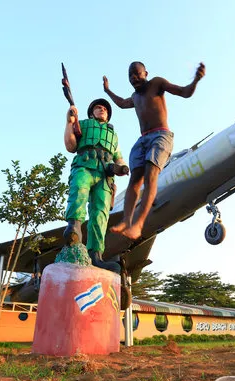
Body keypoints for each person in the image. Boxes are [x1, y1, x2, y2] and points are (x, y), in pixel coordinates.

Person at [103, 61, 206, 241]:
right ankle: (126, 221)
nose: (134, 78)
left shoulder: (157, 83)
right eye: (130, 76)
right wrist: (107, 90)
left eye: (137, 73)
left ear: (146, 73)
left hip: (161, 136)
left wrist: (196, 80)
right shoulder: (135, 97)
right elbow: (121, 103)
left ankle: (138, 224)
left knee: (151, 174)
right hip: (143, 139)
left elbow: (184, 92)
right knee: (134, 180)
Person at [63, 98, 129, 272]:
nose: (102, 109)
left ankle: (96, 255)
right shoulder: (82, 124)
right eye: (98, 108)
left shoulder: (113, 135)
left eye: (105, 109)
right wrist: (69, 123)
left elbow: (118, 156)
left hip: (105, 173)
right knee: (79, 190)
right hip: (85, 164)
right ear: (91, 112)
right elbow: (71, 146)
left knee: (100, 213)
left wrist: (121, 167)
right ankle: (74, 228)